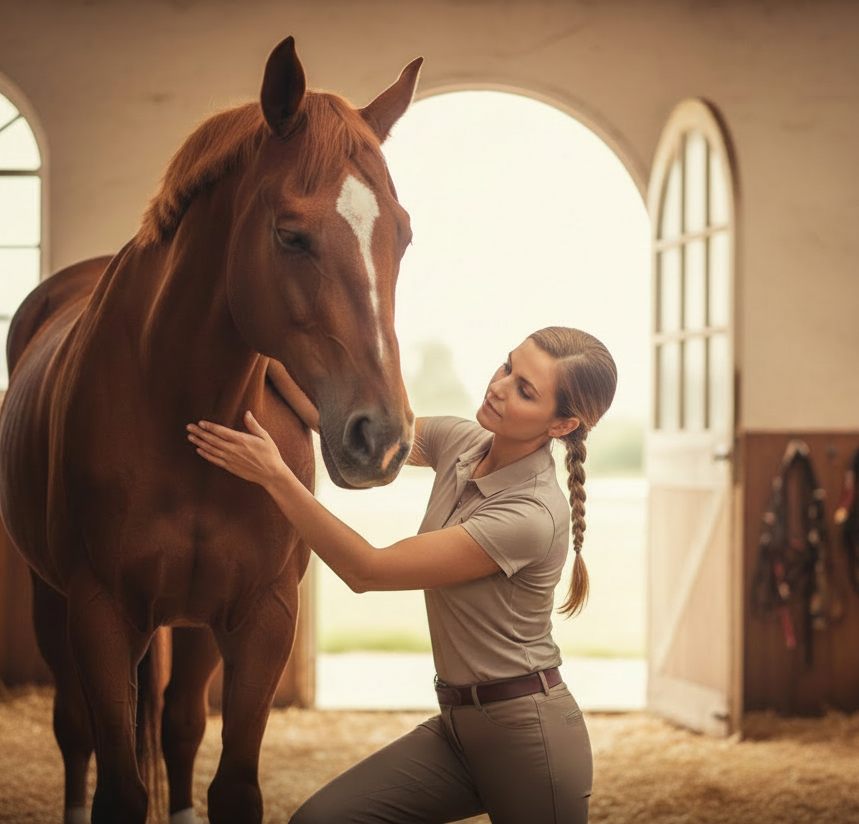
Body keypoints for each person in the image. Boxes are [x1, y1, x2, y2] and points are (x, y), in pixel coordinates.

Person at [186, 325, 617, 824]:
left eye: (525, 390)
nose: (499, 386)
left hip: (529, 741)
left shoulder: (530, 515)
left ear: (562, 425)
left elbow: (366, 569)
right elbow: (335, 423)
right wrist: (261, 345)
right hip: (457, 731)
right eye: (507, 367)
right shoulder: (462, 441)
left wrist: (274, 475)